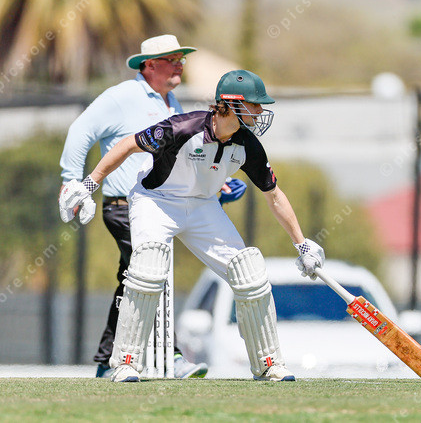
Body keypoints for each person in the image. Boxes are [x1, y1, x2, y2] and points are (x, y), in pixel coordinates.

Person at [59, 69, 325, 382]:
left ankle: (269, 364)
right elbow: (129, 144)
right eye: (254, 104)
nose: (259, 111)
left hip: (202, 206)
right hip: (155, 201)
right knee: (147, 269)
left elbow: (274, 195)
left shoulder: (248, 145)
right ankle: (126, 363)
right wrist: (89, 184)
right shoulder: (183, 127)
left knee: (249, 272)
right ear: (231, 104)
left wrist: (302, 244)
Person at [59, 35, 246, 379]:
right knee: (151, 271)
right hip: (125, 205)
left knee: (131, 281)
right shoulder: (121, 97)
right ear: (149, 65)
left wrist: (215, 185)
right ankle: (171, 356)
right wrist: (72, 181)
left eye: (181, 60)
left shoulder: (172, 103)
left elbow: (183, 156)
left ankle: (106, 360)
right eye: (172, 59)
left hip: (160, 207)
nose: (180, 65)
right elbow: (81, 130)